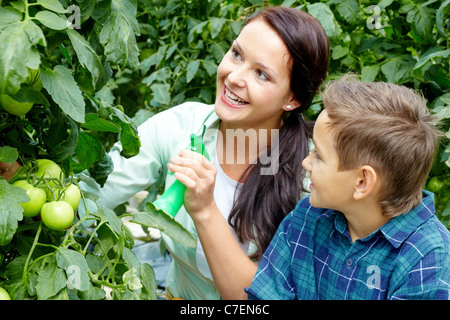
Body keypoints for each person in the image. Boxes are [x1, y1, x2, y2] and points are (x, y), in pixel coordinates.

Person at [87, 6, 329, 300]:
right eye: (237, 54)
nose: (234, 77)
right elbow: (93, 192)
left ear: (292, 99)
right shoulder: (181, 126)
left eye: (261, 74)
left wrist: (204, 211)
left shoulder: (316, 174)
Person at [245, 74, 450, 300]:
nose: (306, 162)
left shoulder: (427, 259)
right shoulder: (304, 220)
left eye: (319, 156)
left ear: (362, 182)